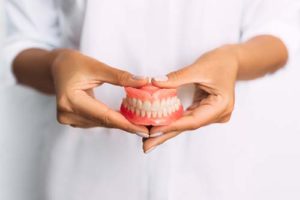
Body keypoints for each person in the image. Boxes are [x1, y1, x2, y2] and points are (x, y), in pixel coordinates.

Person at [2, 0, 300, 199]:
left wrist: (235, 60)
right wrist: (57, 67)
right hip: (84, 176)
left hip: (220, 172)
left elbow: (278, 31)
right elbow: (23, 43)